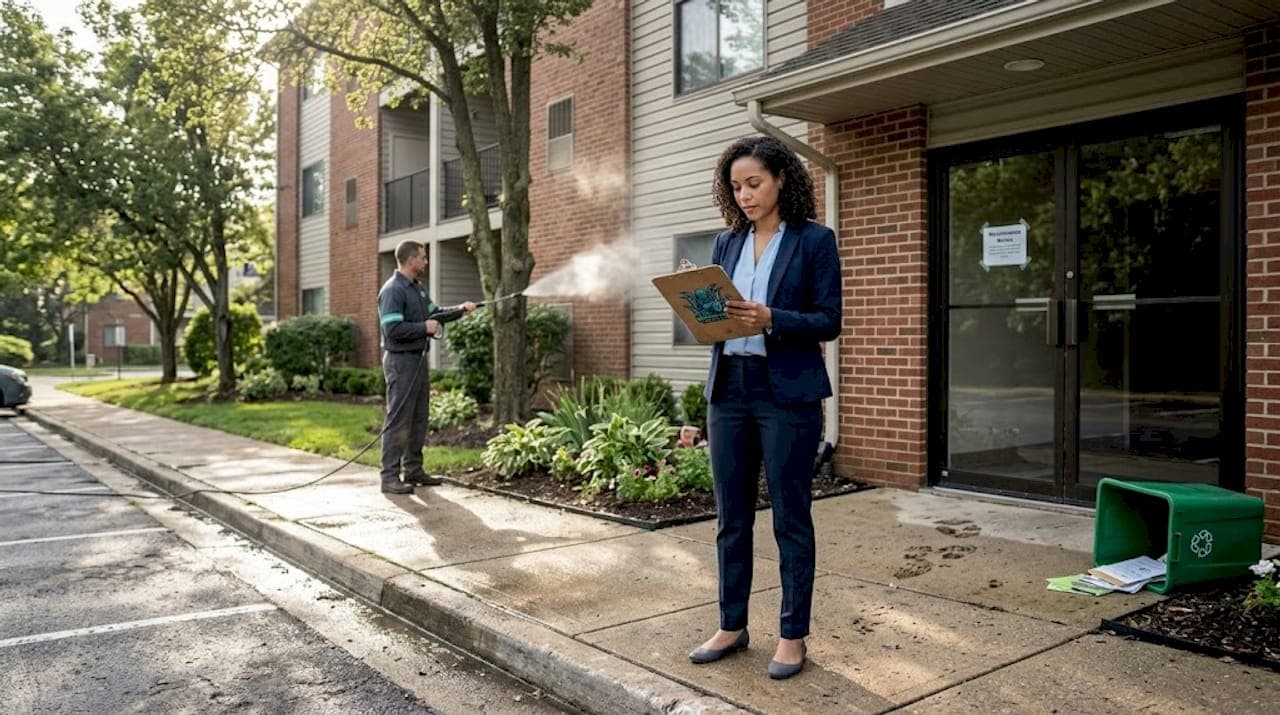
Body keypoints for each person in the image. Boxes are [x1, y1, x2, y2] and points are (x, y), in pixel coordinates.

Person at [687, 136, 841, 679]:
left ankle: (792, 635)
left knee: (790, 519)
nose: (744, 195)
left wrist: (772, 318)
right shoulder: (726, 243)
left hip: (787, 395)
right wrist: (702, 310)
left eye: (753, 183)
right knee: (731, 516)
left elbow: (828, 319)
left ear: (781, 179)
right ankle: (732, 624)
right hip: (729, 388)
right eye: (735, 187)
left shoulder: (815, 241)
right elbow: (717, 320)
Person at [377, 239, 476, 494]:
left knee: (419, 417)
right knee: (398, 420)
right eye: (422, 257)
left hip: (418, 361)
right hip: (400, 363)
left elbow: (436, 314)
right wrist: (423, 328)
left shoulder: (417, 289)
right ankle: (389, 477)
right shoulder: (393, 290)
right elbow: (391, 329)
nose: (425, 261)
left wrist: (461, 310)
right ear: (411, 260)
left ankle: (413, 470)